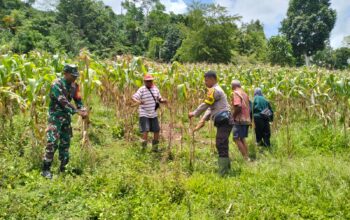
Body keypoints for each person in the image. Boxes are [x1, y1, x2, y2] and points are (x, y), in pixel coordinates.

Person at [41, 64, 88, 179]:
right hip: (55, 117)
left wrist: (83, 109)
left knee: (65, 142)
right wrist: (77, 111)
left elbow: (78, 99)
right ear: (65, 73)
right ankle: (46, 169)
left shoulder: (75, 86)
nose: (74, 78)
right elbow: (63, 101)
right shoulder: (56, 84)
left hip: (66, 118)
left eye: (76, 76)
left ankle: (64, 168)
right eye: (73, 76)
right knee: (52, 142)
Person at [189, 71, 232, 176]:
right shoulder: (216, 90)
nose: (205, 82)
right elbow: (210, 108)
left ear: (213, 79)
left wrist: (194, 113)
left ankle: (223, 173)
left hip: (224, 120)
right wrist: (203, 119)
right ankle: (226, 168)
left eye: (206, 80)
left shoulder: (214, 90)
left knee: (221, 144)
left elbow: (205, 104)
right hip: (224, 121)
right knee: (222, 144)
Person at [132, 74, 167, 152]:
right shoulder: (141, 89)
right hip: (144, 112)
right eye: (147, 81)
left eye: (150, 81)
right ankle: (143, 149)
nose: (149, 82)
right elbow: (134, 97)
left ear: (152, 81)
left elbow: (159, 98)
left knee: (157, 130)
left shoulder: (155, 89)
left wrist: (163, 100)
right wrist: (138, 101)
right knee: (145, 130)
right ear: (144, 82)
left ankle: (155, 149)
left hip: (153, 113)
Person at [231, 80, 251, 161]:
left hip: (239, 119)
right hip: (246, 119)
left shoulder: (236, 93)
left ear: (233, 86)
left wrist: (233, 116)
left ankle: (245, 158)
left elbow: (238, 107)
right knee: (242, 138)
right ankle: (247, 156)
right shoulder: (245, 93)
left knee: (236, 138)